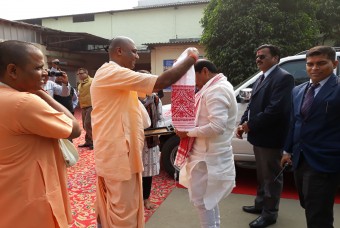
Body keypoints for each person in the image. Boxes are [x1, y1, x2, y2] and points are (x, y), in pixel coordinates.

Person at [91, 36, 199, 228]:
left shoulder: (120, 80)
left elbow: (145, 120)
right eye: (133, 51)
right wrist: (190, 59)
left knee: (123, 205)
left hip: (124, 154)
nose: (137, 55)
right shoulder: (111, 72)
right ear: (118, 51)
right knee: (123, 210)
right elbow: (161, 82)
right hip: (117, 155)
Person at [0, 40, 82, 227]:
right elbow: (74, 129)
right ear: (12, 71)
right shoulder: (23, 102)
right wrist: (40, 92)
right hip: (30, 202)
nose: (45, 74)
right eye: (38, 68)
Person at [235, 44, 295, 228]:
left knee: (271, 177)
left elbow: (275, 110)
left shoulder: (283, 78)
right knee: (262, 174)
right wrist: (243, 122)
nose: (258, 59)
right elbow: (253, 105)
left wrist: (249, 125)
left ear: (276, 58)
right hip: (259, 136)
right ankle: (260, 205)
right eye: (257, 56)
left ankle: (269, 214)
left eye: (263, 56)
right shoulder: (262, 77)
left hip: (271, 137)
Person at [281, 46, 340, 228]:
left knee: (318, 214)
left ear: (334, 63)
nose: (314, 68)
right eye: (310, 64)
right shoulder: (298, 91)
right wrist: (287, 150)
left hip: (325, 161)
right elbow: (294, 122)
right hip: (300, 159)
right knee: (308, 204)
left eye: (321, 63)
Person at [175, 59, 237, 228]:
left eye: (192, 77)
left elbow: (217, 127)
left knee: (203, 201)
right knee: (210, 200)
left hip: (207, 158)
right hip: (209, 155)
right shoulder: (218, 86)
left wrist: (187, 132)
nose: (193, 83)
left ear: (204, 71)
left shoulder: (216, 90)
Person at [139, 86, 163, 210]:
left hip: (150, 141)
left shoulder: (156, 100)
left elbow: (160, 119)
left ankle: (146, 199)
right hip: (133, 141)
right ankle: (135, 199)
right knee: (134, 172)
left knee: (147, 173)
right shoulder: (130, 99)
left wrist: (155, 132)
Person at [77, 67, 93, 150]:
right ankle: (88, 141)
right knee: (84, 125)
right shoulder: (79, 84)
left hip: (91, 105)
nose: (79, 75)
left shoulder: (92, 81)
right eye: (78, 74)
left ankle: (94, 142)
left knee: (88, 124)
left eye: (81, 73)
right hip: (83, 106)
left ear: (86, 73)